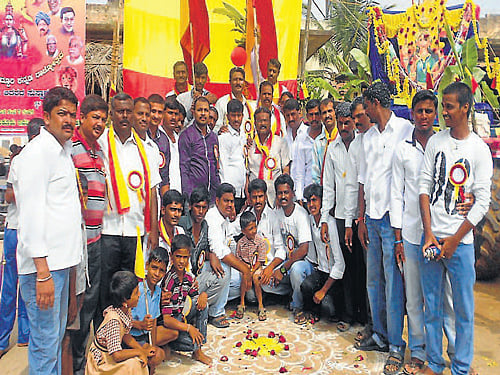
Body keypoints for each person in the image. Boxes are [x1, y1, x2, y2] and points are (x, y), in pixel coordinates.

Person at [419, 82, 492, 375]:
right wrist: (428, 233)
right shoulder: (436, 142)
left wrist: (455, 239)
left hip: (460, 245)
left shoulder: (479, 150)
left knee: (463, 310)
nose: (444, 112)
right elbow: (424, 187)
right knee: (432, 308)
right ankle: (435, 364)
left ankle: (460, 367)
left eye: (449, 106)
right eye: (443, 106)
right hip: (432, 240)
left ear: (465, 108)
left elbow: (482, 201)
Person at [15, 87, 83, 374]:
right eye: (61, 114)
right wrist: (43, 273)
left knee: (53, 344)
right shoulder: (36, 154)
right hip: (43, 271)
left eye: (71, 114)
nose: (68, 120)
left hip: (60, 266)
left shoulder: (63, 152)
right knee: (45, 346)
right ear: (45, 117)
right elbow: (30, 217)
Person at [390, 90, 456, 375]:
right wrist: (397, 238)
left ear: (436, 114)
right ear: (413, 114)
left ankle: (454, 352)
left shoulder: (447, 145)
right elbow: (396, 195)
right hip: (412, 235)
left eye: (430, 111)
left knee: (446, 299)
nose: (425, 116)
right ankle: (418, 352)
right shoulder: (403, 149)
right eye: (420, 111)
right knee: (414, 298)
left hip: (442, 235)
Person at [354, 82, 413, 375]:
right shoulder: (367, 138)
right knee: (373, 280)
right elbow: (363, 181)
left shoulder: (404, 130)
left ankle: (396, 345)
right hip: (373, 219)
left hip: (393, 220)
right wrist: (362, 218)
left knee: (393, 283)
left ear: (377, 104)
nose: (363, 112)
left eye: (366, 106)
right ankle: (378, 334)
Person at [98, 92, 160, 327]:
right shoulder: (101, 143)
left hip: (135, 231)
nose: (124, 116)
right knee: (107, 287)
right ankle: (104, 338)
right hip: (108, 229)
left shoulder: (146, 149)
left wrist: (153, 231)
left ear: (133, 113)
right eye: (119, 111)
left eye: (128, 111)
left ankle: (125, 336)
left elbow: (152, 192)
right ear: (111, 114)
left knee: (129, 289)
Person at [69, 95, 108, 375]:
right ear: (82, 117)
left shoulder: (98, 152)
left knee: (93, 301)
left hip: (96, 240)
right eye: (95, 117)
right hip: (77, 243)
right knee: (78, 307)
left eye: (102, 119)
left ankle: (88, 363)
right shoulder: (70, 149)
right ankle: (75, 365)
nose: (100, 123)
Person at [321, 102, 367, 332]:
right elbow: (328, 187)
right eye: (339, 123)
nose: (343, 126)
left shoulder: (362, 144)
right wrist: (323, 218)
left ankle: (366, 316)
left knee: (364, 267)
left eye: (346, 122)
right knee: (347, 267)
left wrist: (360, 217)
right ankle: (348, 314)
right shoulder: (333, 148)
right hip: (340, 217)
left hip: (360, 217)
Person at [0, 119, 42, 359]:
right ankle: (3, 337)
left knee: (29, 284)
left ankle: (25, 335)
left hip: (32, 229)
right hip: (16, 229)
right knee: (10, 285)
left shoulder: (44, 161)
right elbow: (8, 195)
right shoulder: (20, 160)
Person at [227, 178, 286, 310]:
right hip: (250, 267)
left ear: (266, 196)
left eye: (260, 196)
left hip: (267, 266)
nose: (258, 201)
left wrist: (270, 268)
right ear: (249, 198)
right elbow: (229, 233)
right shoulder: (246, 215)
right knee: (241, 286)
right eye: (254, 197)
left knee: (259, 285)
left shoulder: (273, 217)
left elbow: (281, 250)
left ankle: (271, 296)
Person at [179, 187, 231, 328]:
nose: (201, 211)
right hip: (182, 278)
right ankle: (195, 308)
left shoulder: (205, 225)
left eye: (204, 207)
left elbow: (208, 248)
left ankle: (210, 311)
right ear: (190, 206)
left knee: (223, 273)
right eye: (197, 207)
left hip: (197, 276)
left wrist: (212, 254)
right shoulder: (182, 224)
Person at [85, 271, 154, 375]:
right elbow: (116, 355)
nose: (139, 294)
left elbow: (126, 336)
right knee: (135, 364)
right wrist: (139, 352)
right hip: (102, 363)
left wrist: (142, 351)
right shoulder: (114, 321)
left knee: (141, 359)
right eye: (135, 293)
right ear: (125, 301)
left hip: (109, 356)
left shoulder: (125, 311)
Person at [205, 183, 252, 327]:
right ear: (217, 201)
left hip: (213, 268)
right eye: (226, 201)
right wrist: (245, 269)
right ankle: (216, 312)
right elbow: (219, 250)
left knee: (239, 283)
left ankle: (211, 302)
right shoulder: (212, 217)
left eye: (232, 201)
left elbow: (232, 231)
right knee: (225, 267)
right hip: (204, 267)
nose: (230, 205)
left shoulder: (223, 217)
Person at [161, 234, 212, 365]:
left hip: (182, 316)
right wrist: (189, 328)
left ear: (189, 257)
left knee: (203, 304)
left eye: (185, 257)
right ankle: (169, 344)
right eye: (178, 256)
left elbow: (195, 298)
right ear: (171, 256)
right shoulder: (169, 280)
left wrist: (203, 295)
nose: (182, 261)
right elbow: (167, 320)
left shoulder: (189, 278)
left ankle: (198, 351)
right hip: (171, 325)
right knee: (192, 343)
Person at [272, 174, 313, 325]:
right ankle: (291, 293)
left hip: (303, 265)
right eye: (280, 193)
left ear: (293, 193)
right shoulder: (277, 214)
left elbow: (303, 250)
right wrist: (274, 269)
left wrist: (282, 270)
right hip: (286, 263)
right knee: (265, 279)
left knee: (295, 270)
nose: (283, 196)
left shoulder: (301, 214)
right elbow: (279, 247)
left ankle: (298, 306)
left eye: (286, 192)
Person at [300, 183, 345, 322]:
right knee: (306, 285)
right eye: (309, 201)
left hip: (333, 277)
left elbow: (340, 264)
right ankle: (312, 312)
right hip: (320, 271)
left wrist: (323, 290)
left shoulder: (330, 224)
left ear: (322, 201)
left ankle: (330, 309)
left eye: (315, 200)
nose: (311, 204)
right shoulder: (310, 220)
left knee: (328, 307)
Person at [130, 248, 178, 367]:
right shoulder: (137, 290)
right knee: (159, 355)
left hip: (146, 336)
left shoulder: (158, 291)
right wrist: (140, 325)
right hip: (131, 337)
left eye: (161, 270)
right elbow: (121, 321)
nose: (157, 274)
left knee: (174, 334)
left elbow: (154, 322)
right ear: (147, 265)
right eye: (154, 268)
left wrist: (153, 345)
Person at [179, 96, 221, 203]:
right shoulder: (186, 135)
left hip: (212, 197)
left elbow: (215, 167)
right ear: (193, 112)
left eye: (206, 110)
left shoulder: (213, 137)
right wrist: (188, 196)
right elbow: (184, 168)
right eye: (199, 110)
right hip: (194, 198)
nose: (203, 113)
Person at [246, 107, 290, 207]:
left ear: (270, 122)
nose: (262, 124)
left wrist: (282, 196)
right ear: (255, 123)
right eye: (259, 121)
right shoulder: (250, 145)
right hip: (255, 198)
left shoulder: (280, 142)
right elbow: (247, 175)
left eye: (265, 120)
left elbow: (286, 170)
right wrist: (248, 196)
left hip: (275, 196)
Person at [234, 211, 268, 320]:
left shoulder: (260, 241)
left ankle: (261, 305)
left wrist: (251, 271)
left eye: (255, 227)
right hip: (245, 267)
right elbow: (238, 259)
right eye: (250, 229)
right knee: (244, 275)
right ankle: (242, 303)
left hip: (256, 267)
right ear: (243, 231)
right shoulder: (240, 243)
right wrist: (246, 270)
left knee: (256, 278)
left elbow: (261, 260)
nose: (254, 231)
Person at [218, 99, 247, 213]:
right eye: (233, 115)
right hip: (230, 192)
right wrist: (227, 195)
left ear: (243, 116)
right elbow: (222, 166)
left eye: (239, 115)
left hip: (242, 191)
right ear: (227, 116)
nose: (236, 119)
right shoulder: (224, 137)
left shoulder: (244, 136)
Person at [293, 99, 323, 200]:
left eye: (317, 114)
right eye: (311, 115)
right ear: (307, 116)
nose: (314, 118)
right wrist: (299, 195)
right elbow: (299, 170)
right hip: (307, 195)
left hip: (324, 193)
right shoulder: (302, 138)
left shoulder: (328, 137)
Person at [214, 67, 252, 132]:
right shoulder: (222, 103)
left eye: (240, 79)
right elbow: (214, 127)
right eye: (235, 80)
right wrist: (219, 130)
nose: (238, 83)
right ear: (230, 82)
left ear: (244, 82)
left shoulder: (250, 106)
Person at [147, 94, 170, 196]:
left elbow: (164, 177)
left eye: (160, 112)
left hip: (156, 196)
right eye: (153, 111)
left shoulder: (164, 140)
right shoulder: (137, 135)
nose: (156, 116)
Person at [311, 98, 337, 185]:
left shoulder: (343, 137)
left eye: (330, 111)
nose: (327, 115)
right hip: (324, 191)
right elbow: (315, 173)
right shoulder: (318, 143)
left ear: (335, 113)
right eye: (324, 113)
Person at [161, 96, 182, 193]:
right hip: (163, 193)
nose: (173, 117)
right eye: (170, 113)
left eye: (176, 114)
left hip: (180, 192)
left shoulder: (179, 138)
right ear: (163, 114)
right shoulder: (156, 137)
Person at [158, 190, 185, 255]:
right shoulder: (154, 234)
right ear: (163, 210)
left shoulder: (180, 231)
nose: (176, 214)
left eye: (179, 210)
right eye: (173, 209)